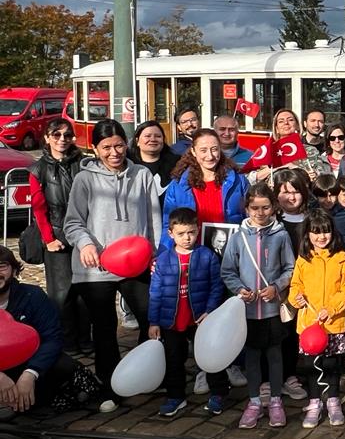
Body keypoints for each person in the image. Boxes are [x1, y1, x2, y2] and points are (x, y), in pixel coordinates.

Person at [63, 119, 162, 412]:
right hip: (96, 268)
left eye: (119, 145)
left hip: (135, 263)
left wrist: (155, 253)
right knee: (105, 329)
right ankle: (111, 386)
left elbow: (153, 219)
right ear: (95, 148)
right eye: (106, 147)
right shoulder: (85, 179)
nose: (114, 152)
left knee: (149, 317)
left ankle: (143, 373)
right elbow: (73, 222)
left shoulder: (141, 175)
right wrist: (85, 243)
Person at [220, 183, 295, 429]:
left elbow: (290, 267)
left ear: (274, 207)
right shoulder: (238, 237)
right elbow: (228, 270)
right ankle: (253, 401)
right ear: (247, 208)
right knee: (252, 356)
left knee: (274, 355)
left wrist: (277, 287)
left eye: (265, 207)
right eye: (254, 208)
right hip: (249, 311)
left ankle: (275, 401)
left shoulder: (281, 235)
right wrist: (239, 289)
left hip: (272, 309)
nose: (260, 213)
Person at [0, 247, 100, 416]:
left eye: (2, 266)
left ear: (15, 270)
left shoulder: (33, 296)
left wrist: (30, 374)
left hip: (26, 364)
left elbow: (52, 338)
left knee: (62, 366)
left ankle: (39, 396)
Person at [148, 208, 225, 417]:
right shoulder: (163, 260)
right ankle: (175, 396)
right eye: (181, 233)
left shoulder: (207, 256)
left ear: (198, 230)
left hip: (200, 318)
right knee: (173, 359)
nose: (187, 238)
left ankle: (218, 392)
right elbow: (155, 292)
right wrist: (153, 321)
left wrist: (210, 310)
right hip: (171, 321)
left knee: (210, 356)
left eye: (191, 232)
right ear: (171, 233)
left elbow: (216, 286)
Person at [289, 208, 345, 429]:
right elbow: (295, 285)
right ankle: (314, 402)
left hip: (334, 323)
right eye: (316, 232)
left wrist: (332, 308)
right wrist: (296, 298)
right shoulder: (303, 259)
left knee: (332, 364)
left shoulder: (342, 259)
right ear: (308, 234)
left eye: (326, 231)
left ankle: (334, 401)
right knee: (311, 366)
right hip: (309, 325)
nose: (321, 237)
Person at [27, 117, 90, 353]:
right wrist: (49, 239)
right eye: (56, 134)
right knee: (62, 293)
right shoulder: (38, 169)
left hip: (83, 234)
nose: (62, 139)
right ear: (47, 138)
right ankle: (67, 340)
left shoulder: (83, 164)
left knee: (85, 290)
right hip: (57, 234)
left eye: (67, 135)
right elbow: (39, 208)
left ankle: (85, 338)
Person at [161, 128, 249, 249]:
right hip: (193, 252)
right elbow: (168, 224)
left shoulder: (238, 181)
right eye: (203, 150)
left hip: (231, 251)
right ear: (193, 151)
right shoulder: (178, 186)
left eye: (214, 149)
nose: (210, 156)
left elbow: (250, 218)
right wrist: (164, 254)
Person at [271, 168, 312, 401]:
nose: (291, 197)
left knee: (297, 332)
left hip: (306, 285)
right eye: (284, 192)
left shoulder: (312, 220)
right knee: (281, 332)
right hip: (280, 287)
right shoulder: (273, 222)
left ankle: (291, 375)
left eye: (295, 191)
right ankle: (274, 377)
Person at [311, 174, 345, 252]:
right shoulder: (310, 215)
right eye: (323, 196)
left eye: (332, 195)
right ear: (317, 196)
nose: (328, 200)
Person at [128, 121, 178, 196]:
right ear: (137, 141)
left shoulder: (177, 164)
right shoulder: (128, 165)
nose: (153, 139)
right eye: (147, 136)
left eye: (158, 136)